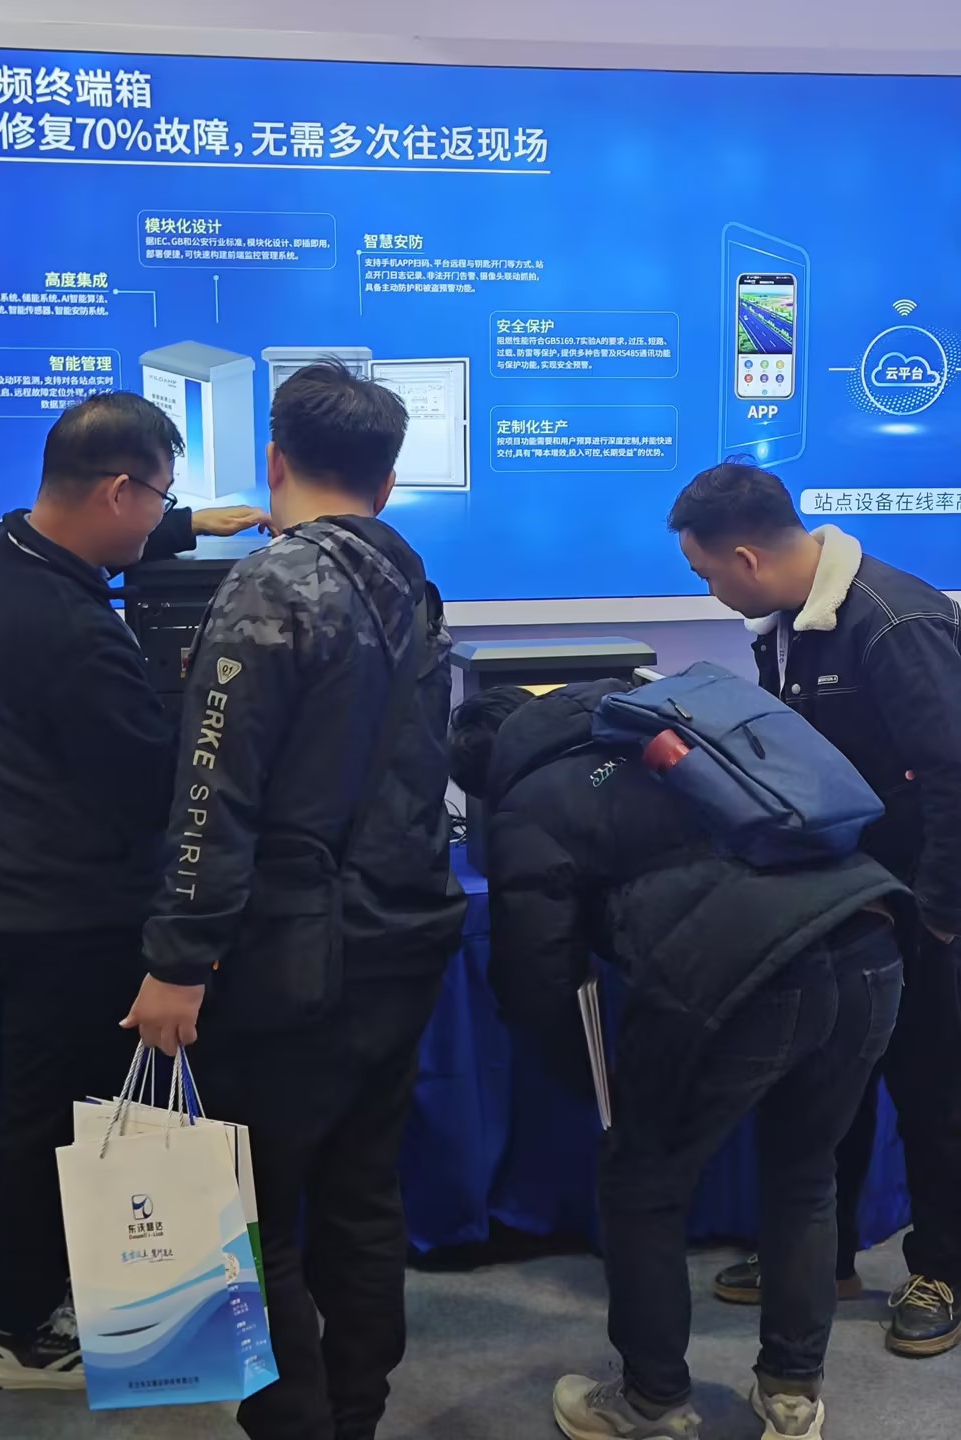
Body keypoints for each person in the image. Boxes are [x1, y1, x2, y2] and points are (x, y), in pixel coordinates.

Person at [124, 360, 466, 1440]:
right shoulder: (414, 588)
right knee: (363, 1196)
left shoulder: (271, 586)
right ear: (389, 479)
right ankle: (354, 1414)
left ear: (274, 461)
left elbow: (214, 789)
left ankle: (294, 1423)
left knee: (255, 1210)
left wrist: (178, 959)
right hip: (400, 939)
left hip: (290, 958)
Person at [0, 390, 273, 1390]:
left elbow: (106, 539)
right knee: (52, 1122)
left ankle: (39, 1299)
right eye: (158, 497)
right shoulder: (70, 634)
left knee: (44, 1107)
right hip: (57, 915)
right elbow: (157, 788)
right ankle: (17, 1333)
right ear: (117, 490)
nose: (160, 515)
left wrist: (189, 525)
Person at [448, 681, 909, 1440]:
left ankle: (651, 1400)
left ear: (486, 773)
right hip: (870, 934)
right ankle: (793, 1397)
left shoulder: (529, 802)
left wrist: (587, 1082)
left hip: (744, 974)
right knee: (805, 1175)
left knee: (644, 1183)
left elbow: (536, 972)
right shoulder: (658, 716)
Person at [669, 459, 961, 1359]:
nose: (710, 592)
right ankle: (821, 1258)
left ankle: (943, 1270)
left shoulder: (895, 621)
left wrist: (941, 914)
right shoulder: (792, 623)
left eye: (707, 575)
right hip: (843, 900)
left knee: (933, 1093)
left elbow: (955, 773)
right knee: (831, 1082)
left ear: (746, 558)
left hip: (923, 906)